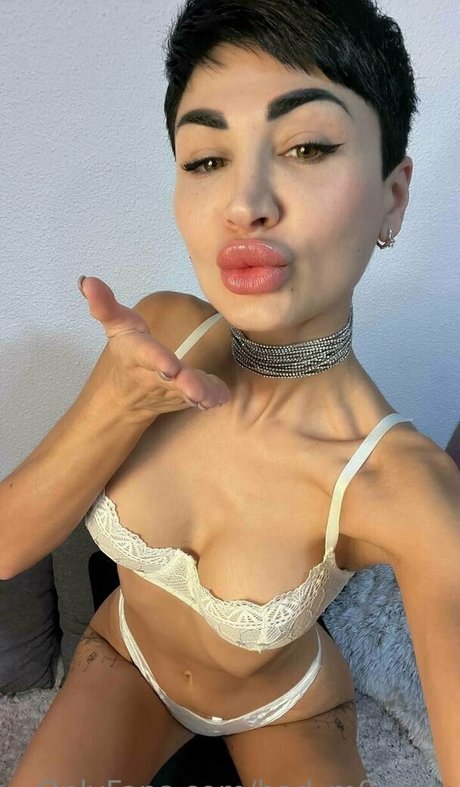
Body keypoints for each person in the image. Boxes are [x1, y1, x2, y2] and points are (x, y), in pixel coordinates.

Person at [4, 1, 459, 785]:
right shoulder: (162, 335)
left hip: (285, 706)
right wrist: (117, 406)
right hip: (125, 655)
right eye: (207, 158)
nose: (244, 204)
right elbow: (8, 544)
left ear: (392, 195)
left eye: (307, 147)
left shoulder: (404, 484)